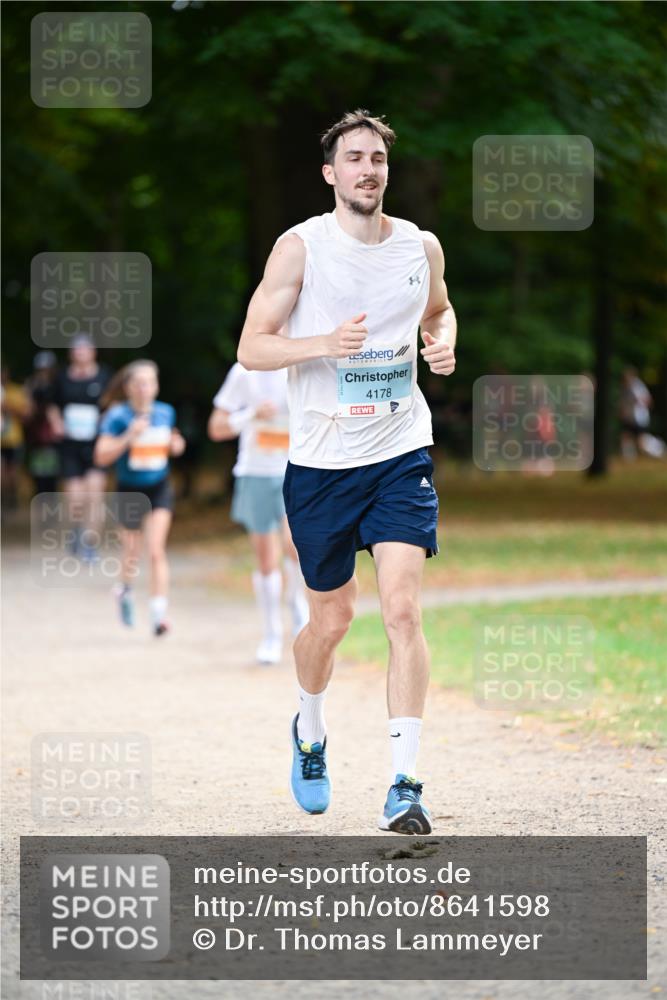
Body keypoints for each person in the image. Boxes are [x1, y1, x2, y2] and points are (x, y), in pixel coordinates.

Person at [237, 109, 457, 835]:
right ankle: (309, 728)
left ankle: (405, 785)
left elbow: (440, 311)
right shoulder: (300, 248)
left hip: (399, 450)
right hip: (323, 465)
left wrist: (443, 343)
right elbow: (252, 348)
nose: (368, 169)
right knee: (330, 621)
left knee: (402, 611)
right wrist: (322, 344)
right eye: (354, 158)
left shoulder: (419, 246)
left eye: (377, 159)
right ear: (330, 173)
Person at [208, 361, 309, 664]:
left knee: (296, 545)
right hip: (255, 473)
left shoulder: (299, 364)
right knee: (266, 559)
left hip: (295, 470)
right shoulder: (243, 372)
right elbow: (216, 427)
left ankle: (297, 604)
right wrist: (251, 414)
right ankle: (271, 633)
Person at [94, 360, 185, 636]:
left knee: (156, 550)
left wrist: (176, 445)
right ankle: (124, 589)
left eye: (150, 383)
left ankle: (158, 615)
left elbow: (174, 442)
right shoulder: (117, 416)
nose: (145, 388)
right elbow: (101, 456)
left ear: (156, 387)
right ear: (128, 388)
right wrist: (129, 436)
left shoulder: (165, 412)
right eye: (139, 383)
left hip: (159, 487)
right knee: (132, 552)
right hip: (129, 490)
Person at [46, 335, 112, 560]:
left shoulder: (104, 376)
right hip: (70, 444)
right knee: (75, 497)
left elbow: (114, 402)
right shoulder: (62, 377)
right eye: (77, 350)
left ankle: (90, 543)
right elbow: (52, 405)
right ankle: (76, 529)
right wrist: (56, 422)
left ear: (93, 352)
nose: (80, 354)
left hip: (96, 443)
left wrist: (106, 419)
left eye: (85, 349)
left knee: (95, 493)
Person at [24, 351, 61, 497]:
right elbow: (28, 411)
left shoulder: (58, 386)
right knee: (39, 477)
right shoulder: (32, 385)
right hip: (37, 438)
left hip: (52, 438)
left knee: (52, 477)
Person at [1, 364, 30, 513]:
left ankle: (11, 499)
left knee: (12, 474)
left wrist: (7, 407)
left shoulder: (16, 391)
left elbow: (25, 415)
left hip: (13, 440)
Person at [619, 367, 666, 459]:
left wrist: (639, 403)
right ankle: (628, 458)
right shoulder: (625, 388)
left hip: (639, 418)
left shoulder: (638, 386)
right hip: (630, 418)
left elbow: (648, 400)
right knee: (626, 437)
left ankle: (659, 448)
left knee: (641, 441)